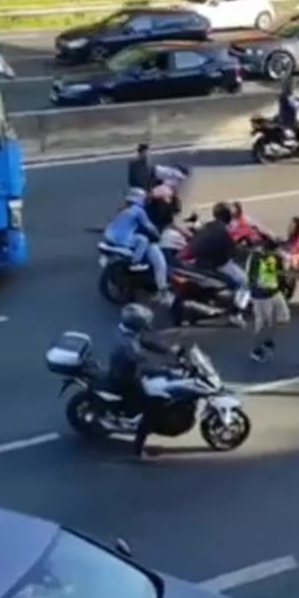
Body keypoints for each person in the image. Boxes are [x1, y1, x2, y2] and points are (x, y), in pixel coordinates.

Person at [106, 304, 177, 461]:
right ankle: (138, 451)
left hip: (125, 369)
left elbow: (145, 342)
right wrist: (165, 368)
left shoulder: (126, 331)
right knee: (153, 408)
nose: (147, 326)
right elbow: (143, 362)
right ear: (137, 324)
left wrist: (169, 350)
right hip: (127, 378)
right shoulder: (128, 344)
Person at [103, 187, 170, 304]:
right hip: (135, 241)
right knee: (160, 263)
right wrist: (156, 234)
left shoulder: (123, 209)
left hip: (113, 240)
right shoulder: (142, 210)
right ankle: (163, 290)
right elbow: (150, 227)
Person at [188, 202, 249, 324]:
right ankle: (236, 313)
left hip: (200, 263)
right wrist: (243, 250)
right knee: (246, 282)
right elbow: (233, 251)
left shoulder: (207, 226)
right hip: (218, 265)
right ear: (227, 216)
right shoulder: (223, 231)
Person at [246, 240, 289, 363]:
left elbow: (279, 274)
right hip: (261, 296)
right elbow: (251, 278)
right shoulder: (256, 257)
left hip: (274, 292)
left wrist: (282, 288)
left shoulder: (276, 257)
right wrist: (258, 290)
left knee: (282, 317)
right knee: (261, 324)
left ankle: (268, 340)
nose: (278, 252)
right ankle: (256, 350)